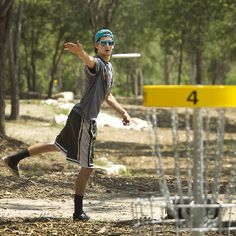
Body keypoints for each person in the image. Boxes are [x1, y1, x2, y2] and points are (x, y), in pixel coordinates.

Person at [1, 29, 131, 221]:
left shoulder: (109, 69)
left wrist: (123, 112)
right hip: (84, 119)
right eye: (103, 42)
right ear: (96, 45)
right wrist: (81, 53)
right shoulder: (98, 65)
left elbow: (108, 95)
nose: (107, 45)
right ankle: (78, 212)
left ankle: (14, 159)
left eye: (110, 42)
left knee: (56, 146)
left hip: (77, 115)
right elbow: (90, 62)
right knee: (87, 167)